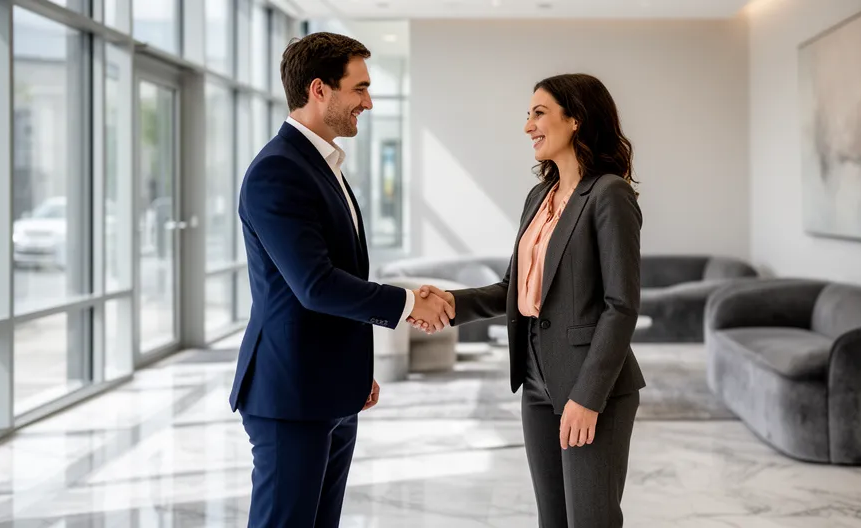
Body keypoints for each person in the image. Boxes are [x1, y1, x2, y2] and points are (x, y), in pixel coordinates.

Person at [229, 32, 454, 528]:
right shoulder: (277, 171)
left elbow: (338, 278)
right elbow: (316, 285)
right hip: (290, 396)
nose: (368, 102)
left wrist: (351, 372)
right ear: (319, 90)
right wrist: (408, 302)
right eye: (360, 88)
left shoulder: (323, 165)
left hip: (327, 389)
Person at [411, 73, 644, 527]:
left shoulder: (609, 194)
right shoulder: (540, 196)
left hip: (591, 387)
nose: (528, 126)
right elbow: (512, 288)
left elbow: (621, 306)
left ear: (575, 119)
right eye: (528, 115)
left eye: (539, 113)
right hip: (537, 382)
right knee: (552, 520)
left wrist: (588, 396)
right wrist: (449, 302)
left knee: (590, 520)